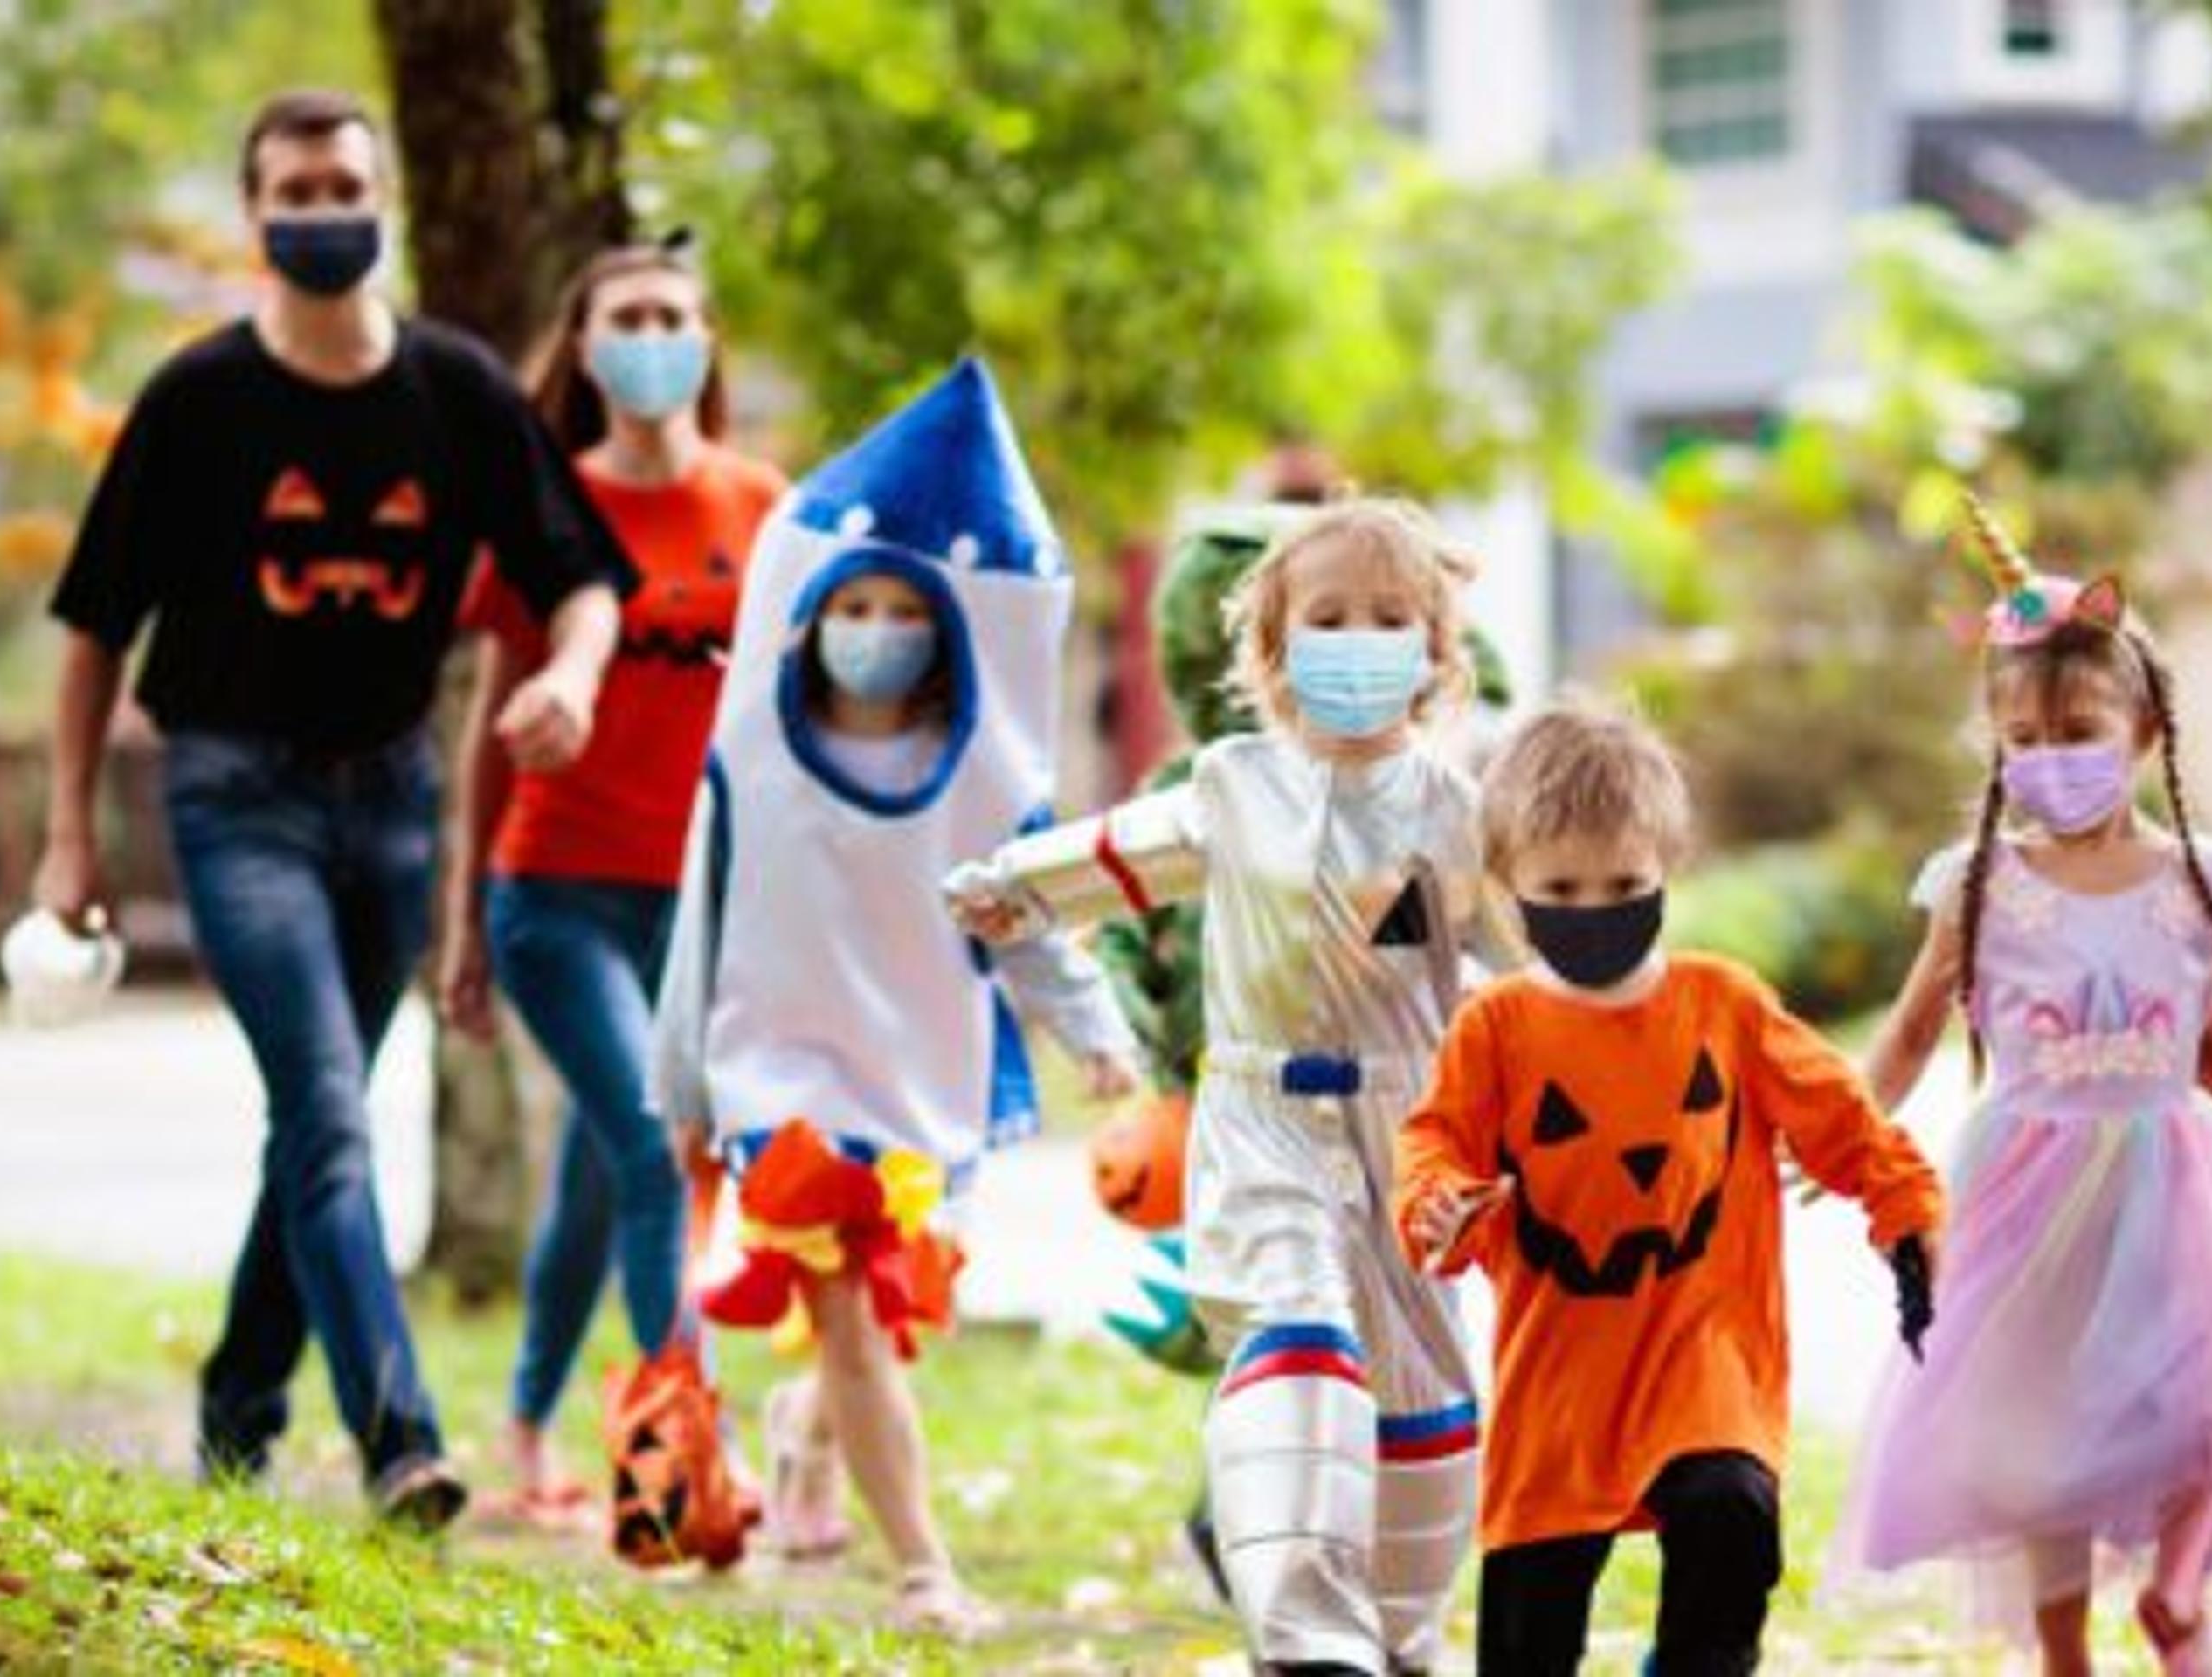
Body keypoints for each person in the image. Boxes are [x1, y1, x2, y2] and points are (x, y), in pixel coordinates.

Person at [35, 88, 628, 1529]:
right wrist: (68, 832)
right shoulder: (198, 400)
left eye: (342, 185)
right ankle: (399, 1440)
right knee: (326, 1110)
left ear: (383, 201)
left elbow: (581, 575)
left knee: (320, 1126)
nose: (320, 213)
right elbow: (95, 624)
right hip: (237, 795)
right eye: (293, 192)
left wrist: (580, 678)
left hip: (395, 803)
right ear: (255, 216)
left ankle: (238, 1407)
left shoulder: (457, 388)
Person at [1841, 496, 2212, 1676]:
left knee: (2208, 1400)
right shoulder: (1978, 885)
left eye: (2080, 730)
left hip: (2178, 1184)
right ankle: (2064, 1655)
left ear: (2147, 728)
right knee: (2038, 1433)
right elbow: (1912, 1034)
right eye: (2025, 739)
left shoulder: (2207, 880)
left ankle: (2179, 1600)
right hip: (2024, 1188)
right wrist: (1840, 1132)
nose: (2051, 760)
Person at [951, 498, 1502, 1675]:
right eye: (1329, 618)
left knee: (1423, 1392)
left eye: (1390, 618)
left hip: (1410, 1125)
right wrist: (1019, 887)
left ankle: (1401, 1633)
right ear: (1271, 650)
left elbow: (1525, 951)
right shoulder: (1234, 781)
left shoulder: (1455, 814)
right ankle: (1306, 1638)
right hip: (1262, 1118)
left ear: (1435, 652)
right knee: (1296, 1325)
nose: (1358, 641)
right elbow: (1129, 848)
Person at [650, 357, 1140, 1632]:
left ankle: (806, 1436)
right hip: (785, 1078)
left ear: (945, 627)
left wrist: (1094, 1035)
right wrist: (684, 1086)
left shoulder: (980, 781)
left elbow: (1024, 921)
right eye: (850, 605)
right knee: (854, 1314)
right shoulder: (754, 760)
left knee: (894, 1315)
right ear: (808, 614)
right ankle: (926, 1566)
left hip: (926, 1080)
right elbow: (705, 918)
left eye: (900, 610)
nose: (874, 631)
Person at [1395, 702, 1944, 1676]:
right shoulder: (1498, 1031)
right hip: (1559, 1387)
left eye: (1624, 883)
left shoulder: (1723, 1008)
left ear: (1667, 870)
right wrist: (1437, 1202)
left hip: (1708, 1355)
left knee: (1731, 1511)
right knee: (1527, 1635)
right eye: (1563, 885)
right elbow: (1434, 1144)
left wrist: (1907, 1216)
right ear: (1509, 887)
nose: (1596, 906)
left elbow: (1846, 1123)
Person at [434, 238, 788, 1529]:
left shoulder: (763, 507)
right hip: (556, 891)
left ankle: (527, 1430)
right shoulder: (549, 505)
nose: (650, 335)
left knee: (601, 1176)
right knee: (654, 1148)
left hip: (702, 901)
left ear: (707, 339)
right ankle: (682, 1450)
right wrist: (464, 914)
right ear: (582, 349)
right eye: (623, 315)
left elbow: (786, 720)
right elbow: (487, 724)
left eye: (671, 314)